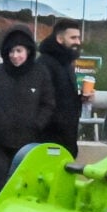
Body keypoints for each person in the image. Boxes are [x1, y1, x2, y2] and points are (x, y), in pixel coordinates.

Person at [0, 27, 54, 202]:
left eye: (19, 51)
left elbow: (48, 104)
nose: (15, 56)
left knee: (24, 194)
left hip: (28, 145)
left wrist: (37, 125)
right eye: (11, 51)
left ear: (28, 51)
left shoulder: (40, 74)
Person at [35, 19, 85, 157]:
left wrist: (81, 97)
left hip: (66, 139)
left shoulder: (66, 63)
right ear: (59, 39)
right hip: (49, 141)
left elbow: (64, 97)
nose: (78, 42)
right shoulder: (44, 64)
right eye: (73, 38)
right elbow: (42, 101)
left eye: (78, 38)